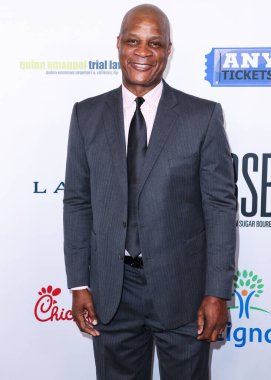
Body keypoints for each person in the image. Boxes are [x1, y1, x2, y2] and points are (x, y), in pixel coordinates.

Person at [63, 4, 236, 379]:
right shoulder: (85, 116)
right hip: (112, 292)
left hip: (185, 293)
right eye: (133, 41)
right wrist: (79, 283)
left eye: (155, 43)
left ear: (169, 50)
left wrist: (218, 292)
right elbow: (78, 202)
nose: (143, 53)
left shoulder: (202, 117)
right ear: (119, 45)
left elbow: (220, 207)